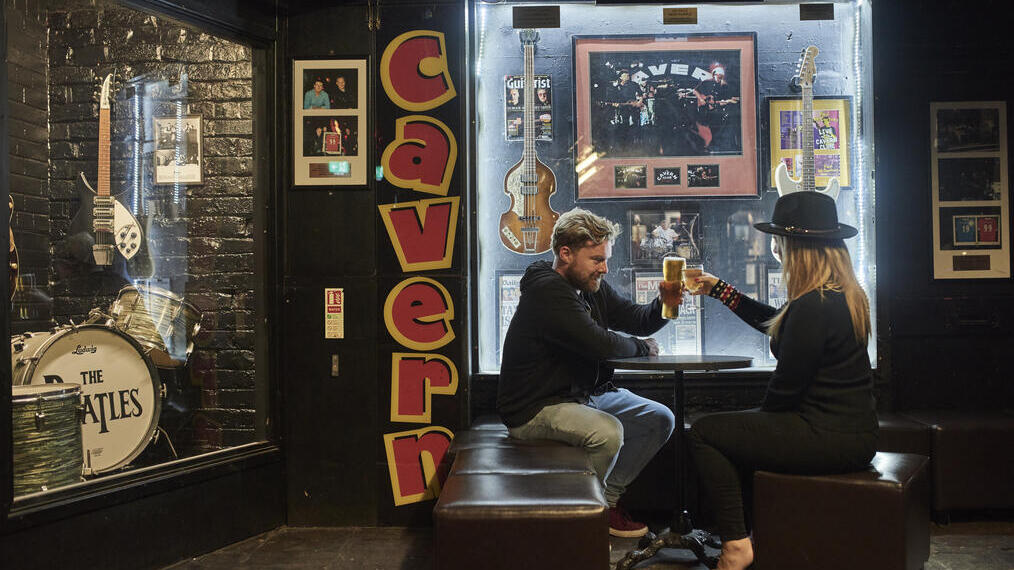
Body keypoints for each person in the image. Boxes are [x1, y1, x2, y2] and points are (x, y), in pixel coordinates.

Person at [685, 191, 876, 570]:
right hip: (852, 433)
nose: (776, 250)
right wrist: (721, 291)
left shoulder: (813, 306)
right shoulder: (844, 296)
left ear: (795, 248)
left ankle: (738, 547)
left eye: (779, 242)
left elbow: (783, 395)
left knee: (705, 433)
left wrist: (752, 428)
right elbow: (779, 324)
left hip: (826, 436)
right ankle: (751, 534)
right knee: (734, 431)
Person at [497, 208, 682, 538]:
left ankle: (604, 504)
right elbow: (598, 344)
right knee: (607, 433)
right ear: (565, 253)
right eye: (596, 259)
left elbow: (638, 319)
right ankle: (580, 524)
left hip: (583, 396)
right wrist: (642, 348)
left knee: (660, 418)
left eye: (605, 258)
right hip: (536, 408)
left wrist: (664, 303)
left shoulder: (591, 287)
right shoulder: (548, 290)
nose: (604, 268)